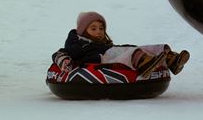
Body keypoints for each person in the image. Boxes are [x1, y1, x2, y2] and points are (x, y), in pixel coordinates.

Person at [47, 11, 190, 85]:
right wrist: (65, 61)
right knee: (130, 53)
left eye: (101, 28)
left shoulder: (104, 44)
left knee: (140, 48)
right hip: (103, 60)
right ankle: (145, 63)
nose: (99, 31)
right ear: (83, 31)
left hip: (110, 52)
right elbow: (60, 54)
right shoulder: (76, 45)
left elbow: (113, 48)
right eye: (93, 28)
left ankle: (171, 59)